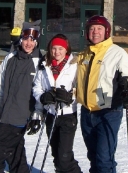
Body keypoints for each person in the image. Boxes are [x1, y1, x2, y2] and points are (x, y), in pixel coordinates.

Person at [75, 15, 128, 173]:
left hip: (108, 110)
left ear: (107, 32)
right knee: (93, 157)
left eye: (99, 28)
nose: (95, 32)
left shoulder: (117, 53)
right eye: (91, 29)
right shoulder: (83, 54)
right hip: (87, 112)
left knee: (104, 159)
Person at [0, 20, 43, 173]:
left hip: (21, 116)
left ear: (37, 42)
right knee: (15, 153)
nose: (28, 43)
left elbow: (40, 91)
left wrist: (37, 115)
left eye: (32, 40)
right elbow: (0, 83)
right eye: (26, 39)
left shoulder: (39, 63)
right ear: (21, 39)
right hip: (6, 112)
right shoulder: (10, 58)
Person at [32, 34, 82, 173]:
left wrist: (70, 96)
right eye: (54, 48)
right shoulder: (44, 64)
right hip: (51, 115)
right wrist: (43, 97)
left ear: (66, 50)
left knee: (64, 157)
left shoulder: (74, 65)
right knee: (56, 155)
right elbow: (37, 86)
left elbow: (81, 88)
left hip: (67, 116)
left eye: (60, 48)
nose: (57, 52)